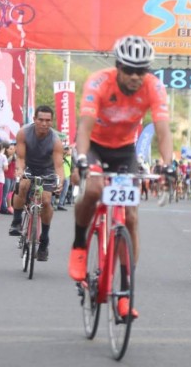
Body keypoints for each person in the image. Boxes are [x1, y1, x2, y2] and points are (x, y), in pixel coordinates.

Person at [69, 36, 173, 319]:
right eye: (129, 70)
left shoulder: (154, 86)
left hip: (125, 151)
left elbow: (163, 131)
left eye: (142, 70)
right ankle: (79, 244)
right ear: (118, 67)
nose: (136, 76)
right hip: (94, 146)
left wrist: (168, 164)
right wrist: (81, 159)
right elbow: (84, 127)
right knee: (93, 189)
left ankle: (125, 292)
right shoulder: (99, 82)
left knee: (130, 217)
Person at [8, 105, 65, 262]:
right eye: (41, 120)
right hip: (29, 166)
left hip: (47, 170)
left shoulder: (55, 141)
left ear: (52, 122)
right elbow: (20, 158)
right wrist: (19, 171)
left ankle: (44, 239)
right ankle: (16, 221)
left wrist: (60, 181)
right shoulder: (24, 133)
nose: (44, 124)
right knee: (23, 185)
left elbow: (59, 167)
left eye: (48, 120)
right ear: (34, 119)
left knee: (46, 201)